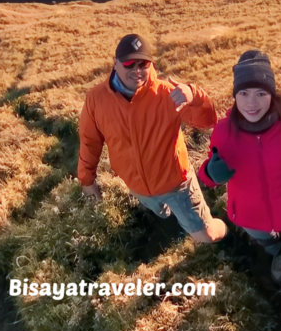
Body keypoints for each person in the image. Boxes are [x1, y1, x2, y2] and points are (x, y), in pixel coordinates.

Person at [78, 34, 225, 243]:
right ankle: (171, 217)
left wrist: (194, 95)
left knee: (208, 235)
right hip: (138, 188)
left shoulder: (167, 94)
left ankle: (227, 227)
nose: (136, 70)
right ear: (115, 63)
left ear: (151, 65)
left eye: (143, 63)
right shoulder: (96, 99)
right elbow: (89, 142)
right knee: (163, 213)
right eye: (129, 63)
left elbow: (207, 121)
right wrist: (87, 180)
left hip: (177, 184)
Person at [198, 50, 281, 284]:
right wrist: (210, 173)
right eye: (243, 93)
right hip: (248, 214)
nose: (251, 103)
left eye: (260, 93)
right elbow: (208, 173)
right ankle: (278, 253)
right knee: (266, 241)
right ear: (235, 95)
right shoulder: (224, 131)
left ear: (272, 94)